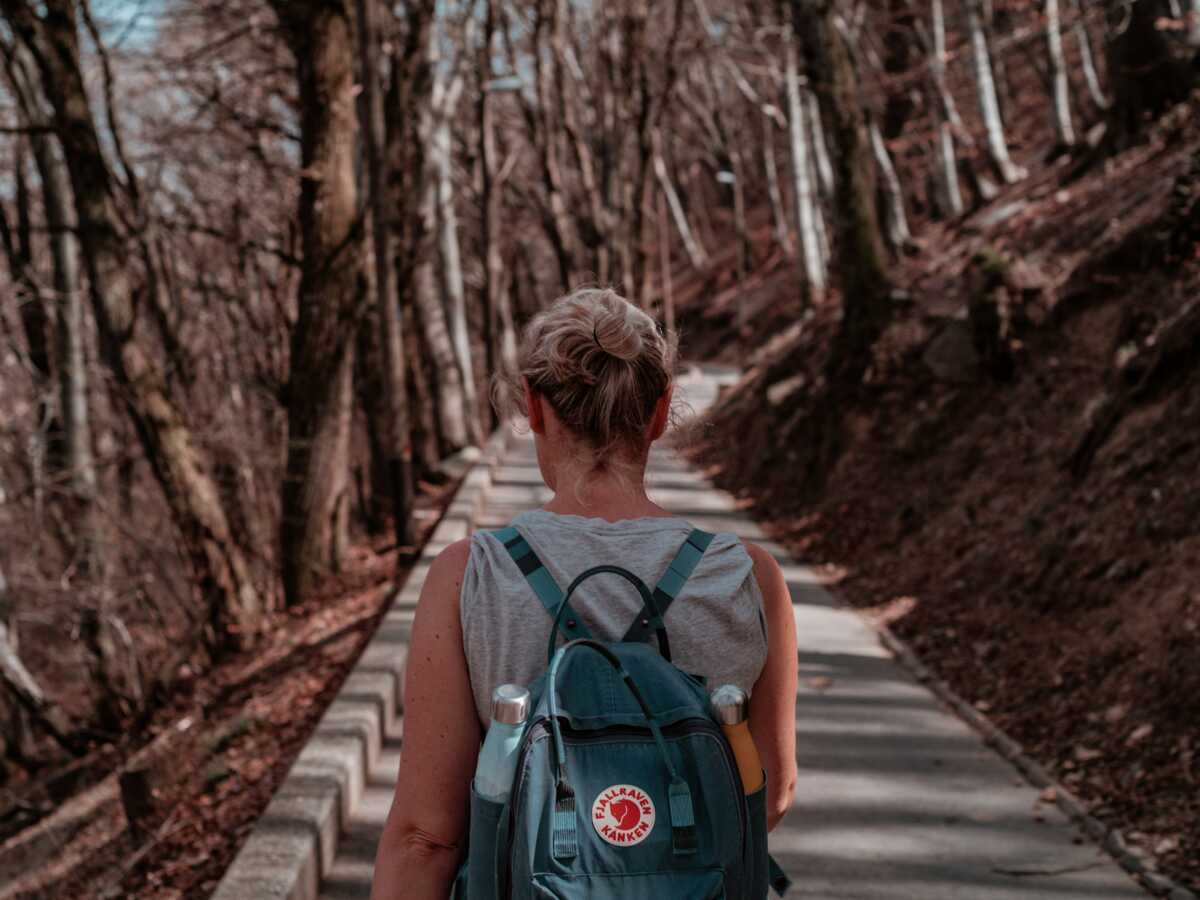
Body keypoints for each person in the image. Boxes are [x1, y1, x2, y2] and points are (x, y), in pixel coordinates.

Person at [369, 287, 798, 900]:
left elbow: (425, 837)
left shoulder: (471, 574)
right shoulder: (748, 576)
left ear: (534, 409)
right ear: (659, 412)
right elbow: (770, 791)